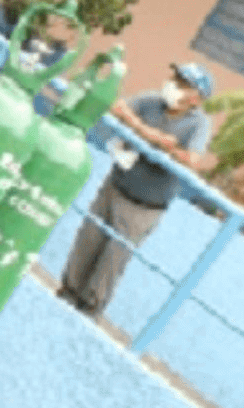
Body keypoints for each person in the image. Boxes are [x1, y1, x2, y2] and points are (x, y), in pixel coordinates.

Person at [58, 61, 215, 316]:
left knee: (114, 257)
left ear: (196, 98)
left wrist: (148, 135)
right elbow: (118, 108)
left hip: (145, 205)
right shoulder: (150, 101)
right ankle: (67, 292)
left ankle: (89, 308)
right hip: (116, 184)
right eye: (175, 79)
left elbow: (192, 159)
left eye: (183, 84)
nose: (173, 85)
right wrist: (152, 136)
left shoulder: (198, 124)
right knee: (88, 239)